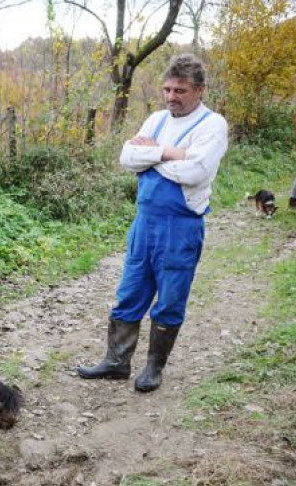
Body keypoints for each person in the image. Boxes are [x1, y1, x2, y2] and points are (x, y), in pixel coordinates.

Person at [77, 53, 229, 392]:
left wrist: (151, 154)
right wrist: (169, 153)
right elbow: (126, 157)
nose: (171, 97)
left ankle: (153, 369)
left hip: (181, 227)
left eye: (181, 91)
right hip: (144, 224)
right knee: (129, 292)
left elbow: (195, 171)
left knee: (170, 299)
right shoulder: (158, 119)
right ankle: (116, 363)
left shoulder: (212, 125)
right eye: (167, 89)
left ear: (200, 90)